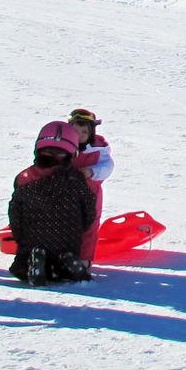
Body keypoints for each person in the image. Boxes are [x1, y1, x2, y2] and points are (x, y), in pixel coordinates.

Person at [7, 122, 96, 287]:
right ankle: (67, 260)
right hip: (68, 237)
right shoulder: (76, 179)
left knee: (26, 256)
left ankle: (35, 259)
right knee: (63, 259)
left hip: (33, 237)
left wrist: (20, 236)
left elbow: (15, 212)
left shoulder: (24, 177)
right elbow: (89, 209)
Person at [66, 108, 112, 262]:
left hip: (90, 195)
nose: (78, 136)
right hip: (63, 193)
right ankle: (60, 257)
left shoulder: (99, 150)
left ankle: (84, 261)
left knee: (89, 226)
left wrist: (92, 171)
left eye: (83, 132)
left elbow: (108, 167)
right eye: (74, 131)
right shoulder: (63, 147)